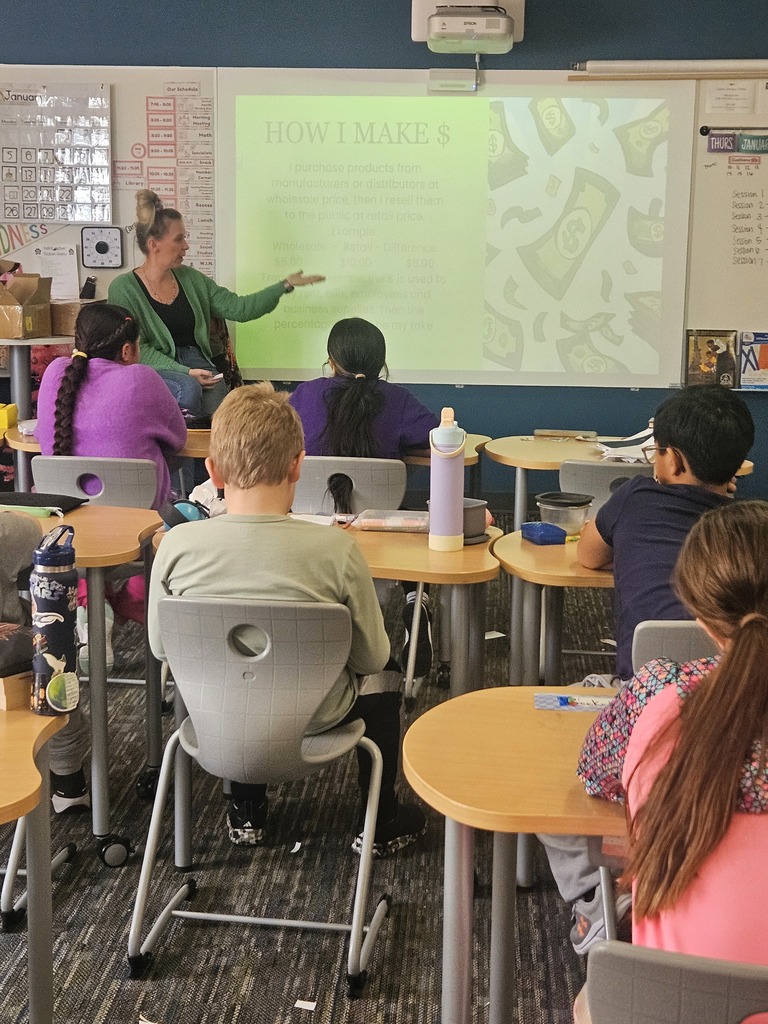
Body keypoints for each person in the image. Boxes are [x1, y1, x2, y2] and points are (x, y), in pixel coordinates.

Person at [148, 382, 426, 856]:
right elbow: (372, 656)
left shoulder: (175, 547)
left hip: (217, 720)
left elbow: (159, 648)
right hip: (317, 719)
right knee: (387, 677)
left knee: (233, 668)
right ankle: (378, 822)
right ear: (300, 465)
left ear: (212, 471)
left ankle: (246, 812)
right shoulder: (337, 550)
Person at [541, 382, 755, 955]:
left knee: (546, 763)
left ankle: (596, 903)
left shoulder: (635, 498)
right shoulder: (747, 540)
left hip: (639, 701)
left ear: (671, 459)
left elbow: (588, 556)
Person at [573, 501, 768, 1023]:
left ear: (700, 618)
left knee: (591, 1002)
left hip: (671, 1006)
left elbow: (595, 769)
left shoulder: (661, 694)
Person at [36, 303, 187, 685]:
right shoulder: (142, 379)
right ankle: (125, 600)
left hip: (62, 532)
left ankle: (91, 602)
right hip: (136, 531)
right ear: (127, 350)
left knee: (95, 560)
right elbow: (179, 439)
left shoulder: (55, 374)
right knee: (187, 517)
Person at [289, 317, 440, 677]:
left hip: (311, 529)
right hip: (380, 528)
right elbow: (438, 435)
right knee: (411, 517)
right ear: (381, 362)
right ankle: (416, 599)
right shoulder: (398, 400)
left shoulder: (305, 394)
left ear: (331, 359)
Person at [108, 189, 324, 425]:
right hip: (154, 366)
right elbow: (138, 349)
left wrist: (285, 285)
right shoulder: (123, 288)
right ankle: (175, 461)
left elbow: (240, 308)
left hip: (197, 363)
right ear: (154, 244)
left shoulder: (192, 279)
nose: (186, 246)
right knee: (188, 390)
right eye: (179, 239)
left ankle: (208, 463)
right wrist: (185, 373)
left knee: (221, 412)